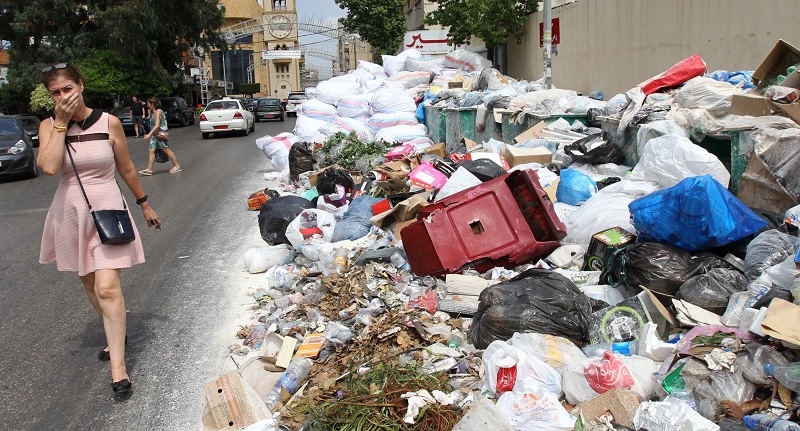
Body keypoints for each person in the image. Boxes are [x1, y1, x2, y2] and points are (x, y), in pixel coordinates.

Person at [37, 62, 161, 395]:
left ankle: (119, 370)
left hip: (107, 209)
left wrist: (144, 204)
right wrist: (60, 123)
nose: (62, 96)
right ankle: (114, 330)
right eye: (55, 93)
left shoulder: (109, 122)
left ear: (80, 85)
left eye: (67, 88)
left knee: (107, 288)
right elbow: (48, 167)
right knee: (90, 283)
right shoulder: (49, 125)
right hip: (70, 213)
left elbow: (126, 168)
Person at [138, 96, 182, 175]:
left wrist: (149, 134)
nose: (147, 106)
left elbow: (157, 125)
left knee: (165, 149)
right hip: (155, 136)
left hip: (160, 135)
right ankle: (149, 169)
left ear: (152, 104)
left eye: (148, 104)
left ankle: (176, 165)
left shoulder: (158, 111)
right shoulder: (153, 112)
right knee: (151, 150)